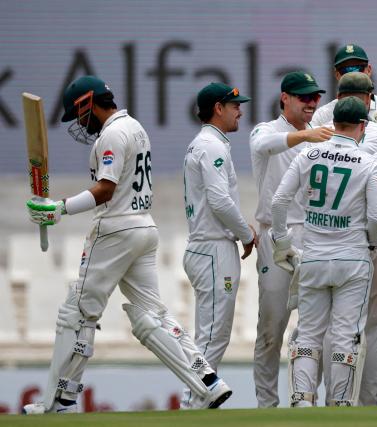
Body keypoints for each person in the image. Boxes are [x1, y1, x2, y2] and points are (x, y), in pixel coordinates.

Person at [24, 76, 231, 414]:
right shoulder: (135, 127)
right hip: (144, 228)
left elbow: (106, 189)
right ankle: (207, 380)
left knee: (78, 312)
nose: (79, 124)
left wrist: (58, 208)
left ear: (87, 103)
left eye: (78, 115)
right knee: (152, 315)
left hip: (114, 230)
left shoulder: (113, 134)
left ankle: (59, 401)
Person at [271, 96, 377, 407]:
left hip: (314, 255)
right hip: (352, 257)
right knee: (346, 335)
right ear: (363, 126)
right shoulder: (369, 163)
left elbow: (279, 202)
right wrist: (371, 243)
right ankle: (340, 403)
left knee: (307, 333)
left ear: (333, 124)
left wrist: (282, 242)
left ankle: (301, 399)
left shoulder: (308, 154)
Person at [316, 72, 377, 405]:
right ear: (369, 99)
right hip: (368, 241)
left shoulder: (322, 134)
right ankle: (368, 401)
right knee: (375, 324)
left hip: (324, 238)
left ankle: (327, 399)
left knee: (326, 326)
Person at [249, 71, 333, 407]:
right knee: (271, 327)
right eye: (304, 97)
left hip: (315, 235)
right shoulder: (268, 130)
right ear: (285, 98)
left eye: (315, 97)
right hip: (276, 236)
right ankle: (267, 405)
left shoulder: (322, 136)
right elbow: (261, 145)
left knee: (317, 329)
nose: (311, 103)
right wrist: (305, 137)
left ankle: (307, 398)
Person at [181, 82, 257, 406]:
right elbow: (219, 201)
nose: (240, 110)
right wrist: (247, 233)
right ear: (218, 108)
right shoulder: (210, 146)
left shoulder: (208, 144)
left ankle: (195, 402)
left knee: (212, 336)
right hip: (212, 248)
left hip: (208, 247)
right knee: (212, 336)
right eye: (234, 105)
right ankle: (192, 403)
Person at [311, 43, 377, 126]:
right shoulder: (323, 115)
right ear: (337, 75)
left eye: (357, 68)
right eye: (345, 70)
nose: (352, 74)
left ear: (368, 70)